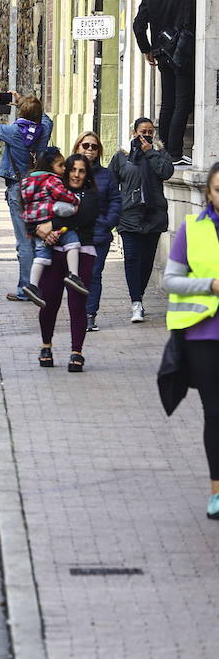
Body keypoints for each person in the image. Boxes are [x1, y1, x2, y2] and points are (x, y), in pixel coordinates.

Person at [160, 162, 219, 518]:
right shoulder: (192, 230)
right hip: (204, 334)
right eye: (218, 189)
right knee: (215, 414)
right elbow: (170, 281)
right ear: (209, 193)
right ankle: (217, 491)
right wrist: (209, 285)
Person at [0, 91, 53, 302]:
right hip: (38, 189)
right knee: (37, 239)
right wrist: (26, 103)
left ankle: (25, 288)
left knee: (24, 240)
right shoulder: (45, 130)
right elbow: (47, 119)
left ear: (20, 113)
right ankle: (41, 284)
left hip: (18, 189)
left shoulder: (14, 132)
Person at [33, 153, 100, 371]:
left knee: (77, 304)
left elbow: (83, 217)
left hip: (83, 252)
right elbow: (38, 214)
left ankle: (76, 352)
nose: (77, 175)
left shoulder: (91, 194)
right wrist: (45, 232)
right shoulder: (52, 189)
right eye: (73, 169)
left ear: (86, 173)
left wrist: (52, 224)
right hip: (53, 251)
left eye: (81, 170)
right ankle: (46, 346)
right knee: (48, 302)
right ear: (65, 171)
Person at [133, 0, 196, 165]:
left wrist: (147, 49)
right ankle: (176, 152)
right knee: (182, 101)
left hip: (162, 52)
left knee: (167, 102)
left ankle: (166, 150)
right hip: (185, 53)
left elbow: (138, 26)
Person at [108, 117, 175, 323]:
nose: (146, 135)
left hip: (153, 216)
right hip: (129, 216)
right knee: (132, 259)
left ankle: (139, 297)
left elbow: (166, 172)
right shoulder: (122, 157)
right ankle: (136, 301)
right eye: (142, 131)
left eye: (150, 132)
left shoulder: (160, 154)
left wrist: (150, 153)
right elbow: (110, 184)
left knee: (146, 262)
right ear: (133, 132)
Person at [18, 148, 87, 307]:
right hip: (50, 219)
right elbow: (62, 194)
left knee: (41, 254)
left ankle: (32, 285)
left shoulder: (28, 181)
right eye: (61, 165)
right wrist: (75, 200)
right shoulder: (52, 179)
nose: (64, 169)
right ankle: (74, 275)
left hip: (34, 224)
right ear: (50, 166)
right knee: (72, 241)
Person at [71, 132, 121, 332]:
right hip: (72, 234)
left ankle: (89, 314)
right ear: (78, 148)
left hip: (98, 234)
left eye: (94, 146)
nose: (90, 150)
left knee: (93, 274)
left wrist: (108, 223)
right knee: (74, 275)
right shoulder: (69, 172)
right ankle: (76, 312)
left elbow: (116, 201)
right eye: (86, 146)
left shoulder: (106, 175)